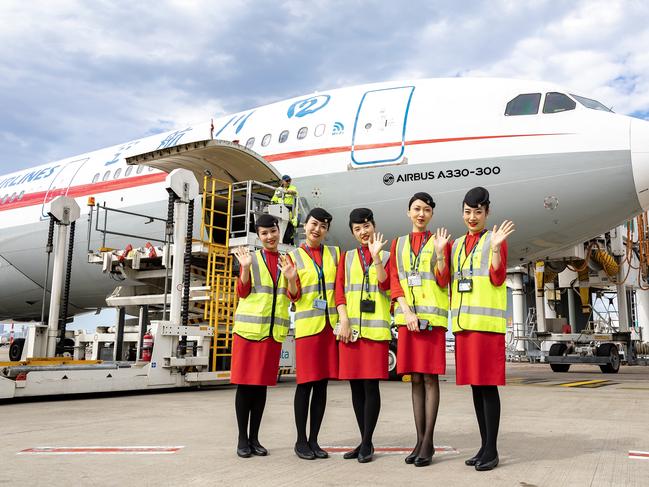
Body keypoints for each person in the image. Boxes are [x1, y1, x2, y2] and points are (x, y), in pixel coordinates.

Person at [450, 186, 515, 472]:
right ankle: (483, 445)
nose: (472, 217)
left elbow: (498, 277)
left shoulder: (494, 239)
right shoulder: (456, 245)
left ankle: (492, 449)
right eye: (467, 212)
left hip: (486, 327)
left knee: (487, 387)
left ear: (487, 213)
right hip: (465, 326)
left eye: (478, 212)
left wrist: (498, 249)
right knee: (476, 388)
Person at [389, 192, 451, 467]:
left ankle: (428, 442)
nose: (421, 214)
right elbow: (394, 281)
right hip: (408, 320)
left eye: (426, 210)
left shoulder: (439, 242)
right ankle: (418, 440)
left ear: (432, 214)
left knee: (430, 380)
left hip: (431, 321)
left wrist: (440, 254)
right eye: (416, 209)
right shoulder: (398, 244)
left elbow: (442, 278)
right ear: (408, 212)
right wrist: (406, 311)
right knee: (414, 380)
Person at [231, 214, 292, 458]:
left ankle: (255, 438)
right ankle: (242, 439)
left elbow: (293, 294)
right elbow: (242, 292)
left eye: (273, 231)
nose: (270, 237)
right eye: (264, 234)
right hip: (248, 333)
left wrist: (291, 278)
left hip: (271, 333)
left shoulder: (287, 261)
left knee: (261, 388)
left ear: (279, 231)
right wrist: (244, 269)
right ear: (259, 236)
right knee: (246, 387)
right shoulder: (251, 260)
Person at [335, 208, 391, 463]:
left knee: (371, 386)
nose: (363, 232)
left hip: (375, 332)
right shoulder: (346, 258)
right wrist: (343, 320)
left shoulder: (387, 255)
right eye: (357, 229)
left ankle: (367, 442)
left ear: (374, 225)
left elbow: (384, 284)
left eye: (366, 226)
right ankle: (363, 440)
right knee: (356, 387)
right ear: (353, 232)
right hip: (352, 332)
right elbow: (339, 293)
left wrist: (376, 256)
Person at [284, 208, 340, 460]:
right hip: (308, 329)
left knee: (322, 387)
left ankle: (315, 440)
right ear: (305, 226)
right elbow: (292, 296)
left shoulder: (334, 254)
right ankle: (300, 441)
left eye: (323, 226)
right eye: (314, 224)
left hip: (329, 328)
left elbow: (339, 289)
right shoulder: (293, 256)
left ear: (327, 231)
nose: (317, 229)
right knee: (305, 385)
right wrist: (292, 280)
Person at [271, 175, 299, 245]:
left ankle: (288, 242)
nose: (289, 182)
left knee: (289, 229)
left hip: (289, 210)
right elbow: (274, 199)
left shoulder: (292, 187)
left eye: (290, 180)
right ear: (283, 181)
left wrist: (286, 191)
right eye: (287, 181)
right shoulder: (278, 189)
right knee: (280, 227)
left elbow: (294, 192)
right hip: (280, 210)